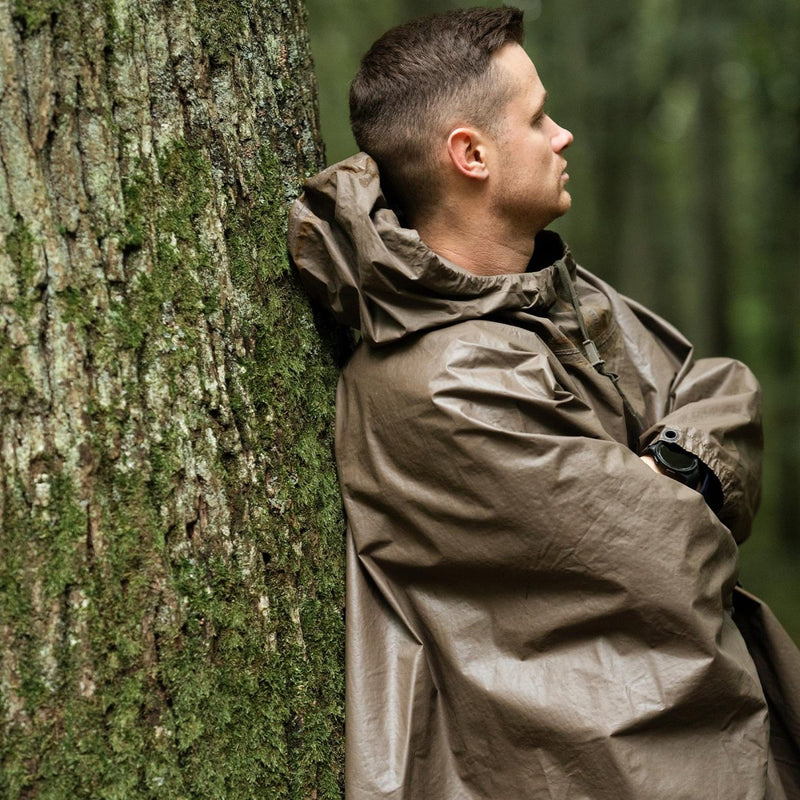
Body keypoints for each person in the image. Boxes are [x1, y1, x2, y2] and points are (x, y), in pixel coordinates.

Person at [288, 7, 790, 799]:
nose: (563, 136)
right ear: (471, 154)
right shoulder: (438, 383)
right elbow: (668, 557)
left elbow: (720, 385)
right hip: (603, 767)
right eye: (537, 117)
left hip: (694, 735)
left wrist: (666, 469)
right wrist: (685, 480)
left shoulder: (557, 294)